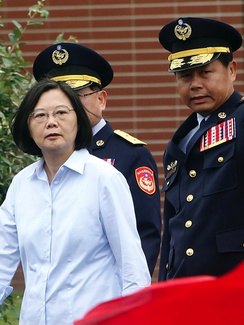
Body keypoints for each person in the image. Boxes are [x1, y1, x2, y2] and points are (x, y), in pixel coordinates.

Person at [0, 79, 151, 324]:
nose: (51, 122)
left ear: (78, 120)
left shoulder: (104, 179)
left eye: (61, 112)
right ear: (28, 127)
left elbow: (131, 264)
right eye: (39, 115)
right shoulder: (22, 184)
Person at [156, 17, 244, 281]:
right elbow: (173, 228)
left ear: (232, 70)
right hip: (186, 286)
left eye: (205, 73)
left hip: (241, 281)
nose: (195, 84)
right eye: (185, 76)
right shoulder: (179, 141)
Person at [32, 42, 162, 275]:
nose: (66, 108)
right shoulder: (48, 154)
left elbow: (145, 234)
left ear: (101, 99)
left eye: (75, 96)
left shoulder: (130, 154)